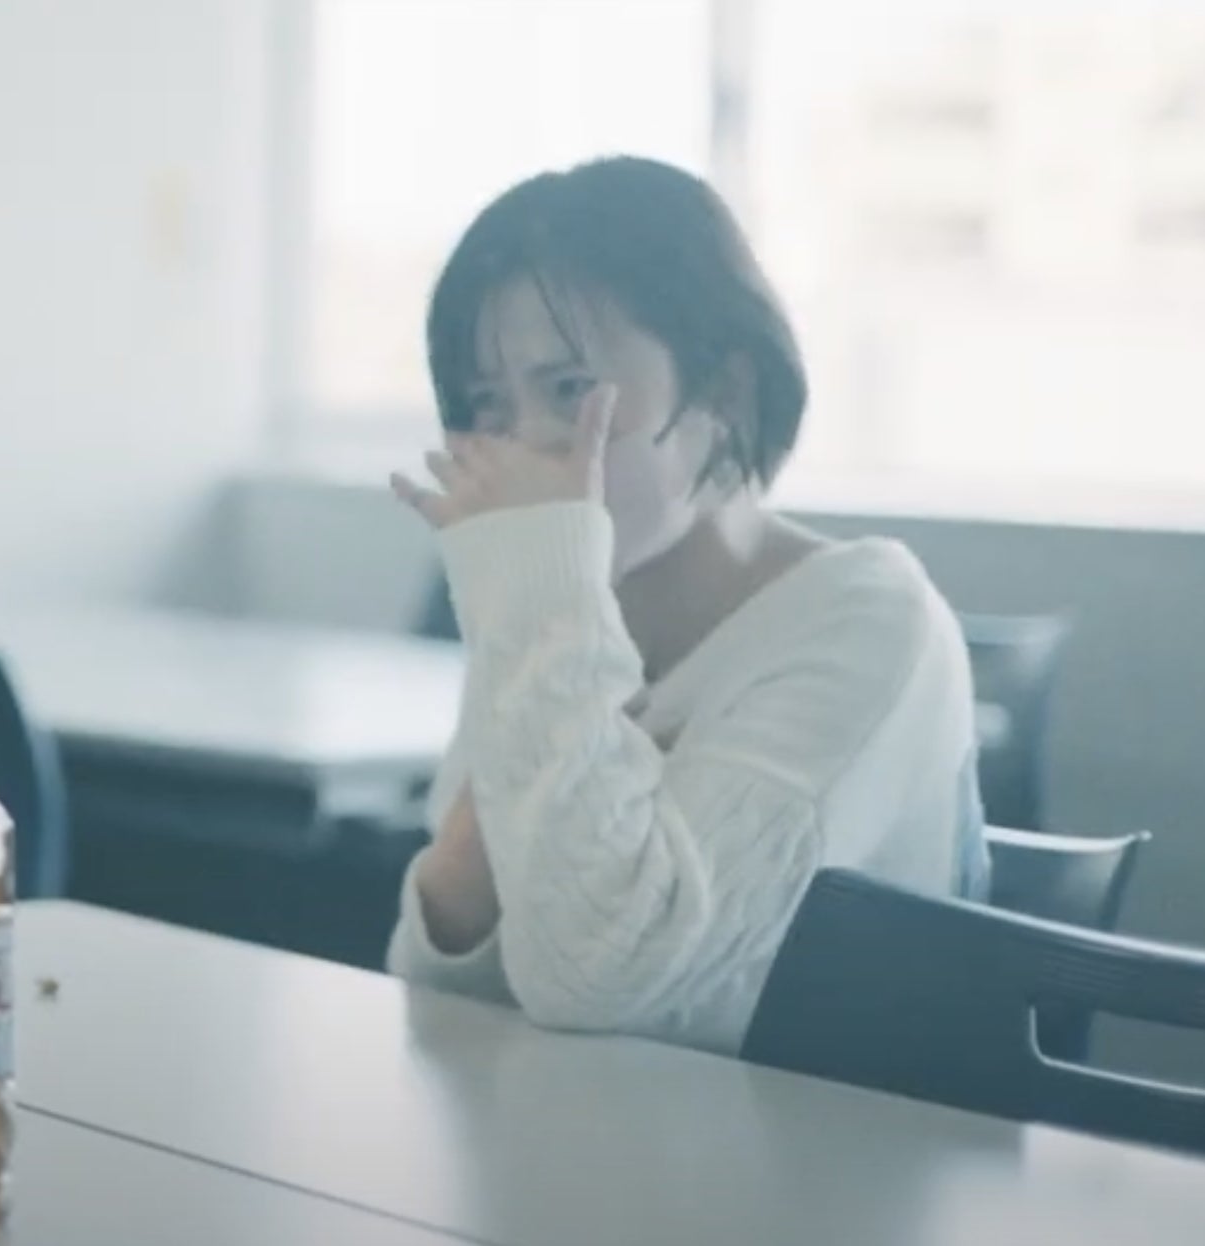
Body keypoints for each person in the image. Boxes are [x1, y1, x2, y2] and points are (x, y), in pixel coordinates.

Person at [381, 156, 985, 1055]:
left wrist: (526, 797)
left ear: (723, 390)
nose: (525, 446)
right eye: (487, 405)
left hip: (806, 1142)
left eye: (569, 389)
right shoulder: (558, 592)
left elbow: (599, 984)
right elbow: (435, 989)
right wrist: (484, 851)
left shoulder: (867, 616)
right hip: (568, 1131)